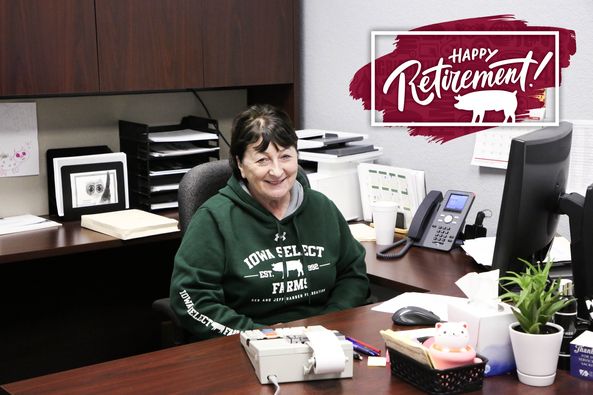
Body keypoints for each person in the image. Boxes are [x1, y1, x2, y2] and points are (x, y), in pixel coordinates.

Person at [169, 104, 369, 340]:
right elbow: (191, 298)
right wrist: (259, 336)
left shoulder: (321, 208)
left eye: (285, 156)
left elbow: (353, 275)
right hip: (244, 344)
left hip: (322, 339)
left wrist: (325, 326)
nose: (277, 171)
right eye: (263, 160)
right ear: (241, 165)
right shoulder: (214, 218)